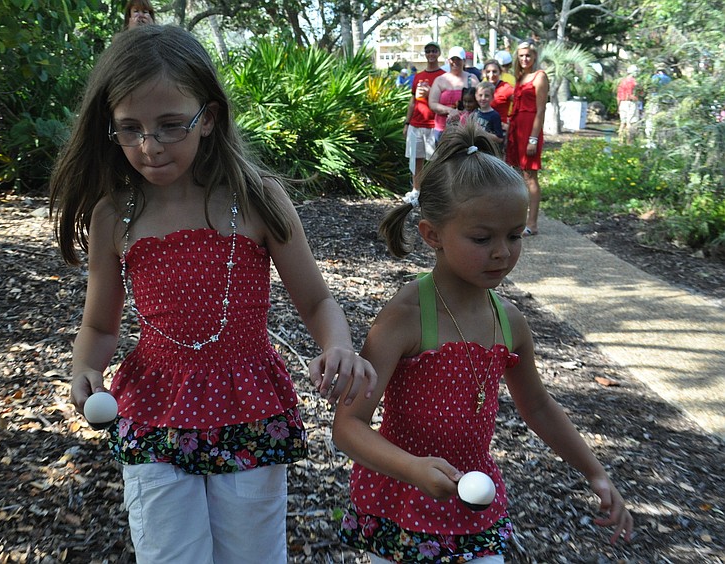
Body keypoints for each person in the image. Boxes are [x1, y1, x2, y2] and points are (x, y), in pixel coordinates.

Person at [48, 25, 376, 562]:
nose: (150, 146)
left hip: (249, 405)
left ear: (209, 118)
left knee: (252, 554)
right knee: (169, 553)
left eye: (170, 125)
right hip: (154, 409)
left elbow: (317, 301)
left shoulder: (256, 199)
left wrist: (337, 345)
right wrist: (85, 367)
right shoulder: (115, 215)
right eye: (129, 129)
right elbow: (100, 326)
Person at [333, 121, 634, 563]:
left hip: (475, 506)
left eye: (514, 235)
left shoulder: (509, 322)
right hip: (401, 502)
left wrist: (595, 471)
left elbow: (538, 406)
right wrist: (412, 468)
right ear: (432, 234)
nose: (502, 252)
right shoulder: (407, 317)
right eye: (482, 238)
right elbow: (348, 427)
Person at [505, 41, 548, 236]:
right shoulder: (520, 77)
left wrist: (533, 139)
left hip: (530, 129)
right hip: (517, 129)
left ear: (534, 56)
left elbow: (541, 110)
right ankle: (519, 220)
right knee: (518, 175)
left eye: (528, 55)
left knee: (530, 176)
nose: (524, 59)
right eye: (521, 55)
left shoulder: (540, 76)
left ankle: (533, 223)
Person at [403, 42, 446, 195]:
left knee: (436, 161)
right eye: (428, 51)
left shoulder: (443, 76)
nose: (431, 54)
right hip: (416, 124)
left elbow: (445, 100)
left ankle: (434, 192)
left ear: (439, 53)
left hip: (434, 125)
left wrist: (430, 93)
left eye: (434, 51)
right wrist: (407, 123)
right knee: (416, 159)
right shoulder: (418, 77)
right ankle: (416, 190)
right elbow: (412, 102)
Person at [428, 46, 481, 141]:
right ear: (448, 60)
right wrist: (450, 111)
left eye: (458, 59)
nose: (455, 62)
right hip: (442, 129)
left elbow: (479, 101)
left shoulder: (472, 79)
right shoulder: (440, 80)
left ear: (464, 61)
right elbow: (432, 103)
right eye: (453, 59)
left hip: (466, 130)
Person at [481, 59, 514, 129]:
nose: (491, 75)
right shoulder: (481, 87)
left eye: (494, 71)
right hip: (483, 128)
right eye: (488, 72)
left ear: (500, 72)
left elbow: (520, 104)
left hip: (499, 129)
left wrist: (511, 124)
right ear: (484, 72)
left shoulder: (506, 88)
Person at [616, 65, 640, 143]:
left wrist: (618, 106)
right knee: (631, 123)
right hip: (631, 103)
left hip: (622, 103)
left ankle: (620, 141)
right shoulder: (635, 82)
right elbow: (641, 93)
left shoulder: (622, 81)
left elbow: (618, 96)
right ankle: (629, 142)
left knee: (623, 123)